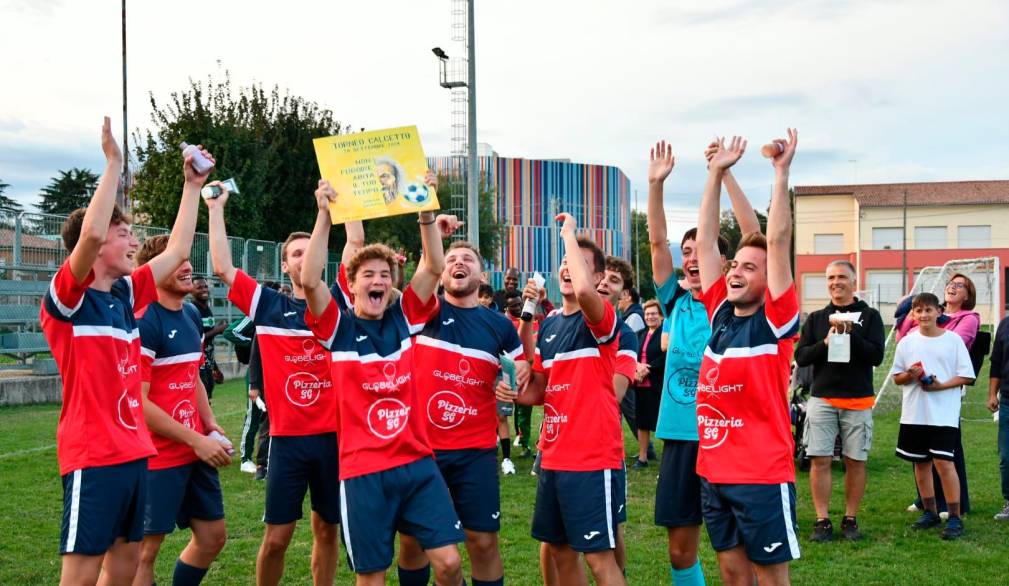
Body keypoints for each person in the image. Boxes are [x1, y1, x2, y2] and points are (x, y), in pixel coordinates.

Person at [40, 118, 208, 585]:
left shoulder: (122, 296)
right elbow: (90, 234)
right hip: (92, 457)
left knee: (125, 567)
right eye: (124, 234)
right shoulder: (68, 300)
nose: (134, 242)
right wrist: (115, 163)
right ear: (92, 249)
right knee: (80, 574)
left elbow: (175, 251)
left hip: (135, 453)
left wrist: (191, 187)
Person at [302, 180, 465, 586]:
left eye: (385, 274)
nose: (378, 280)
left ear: (391, 284)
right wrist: (324, 214)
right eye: (368, 274)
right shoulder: (336, 328)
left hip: (416, 465)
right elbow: (309, 281)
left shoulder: (403, 318)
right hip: (363, 472)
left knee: (448, 564)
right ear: (352, 284)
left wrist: (425, 210)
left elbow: (432, 267)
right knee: (371, 576)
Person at [206, 184, 341, 585]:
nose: (304, 258)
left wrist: (326, 214)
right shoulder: (269, 305)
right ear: (284, 266)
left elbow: (356, 248)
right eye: (296, 253)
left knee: (327, 531)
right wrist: (215, 209)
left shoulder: (336, 307)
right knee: (277, 539)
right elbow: (223, 268)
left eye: (310, 250)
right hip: (286, 442)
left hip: (334, 439)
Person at [695, 131, 801, 585]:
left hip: (761, 474)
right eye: (735, 265)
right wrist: (715, 174)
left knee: (770, 577)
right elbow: (705, 246)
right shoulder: (720, 311)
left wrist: (781, 174)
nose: (735, 271)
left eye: (749, 268)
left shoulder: (777, 321)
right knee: (732, 574)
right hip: (713, 472)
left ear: (770, 280)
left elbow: (776, 242)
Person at [500, 214, 626, 586]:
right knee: (558, 550)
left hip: (591, 456)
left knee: (599, 559)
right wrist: (513, 389)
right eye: (565, 265)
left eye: (579, 265)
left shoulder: (600, 317)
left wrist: (569, 234)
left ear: (598, 277)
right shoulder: (550, 325)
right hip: (554, 455)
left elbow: (586, 293)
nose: (568, 270)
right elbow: (540, 390)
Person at [399, 235, 530, 586]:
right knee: (412, 541)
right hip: (421, 450)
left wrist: (515, 380)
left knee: (483, 543)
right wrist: (431, 234)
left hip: (475, 452)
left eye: (468, 259)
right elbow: (426, 268)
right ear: (441, 273)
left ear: (483, 276)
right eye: (452, 258)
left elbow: (521, 373)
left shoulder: (500, 326)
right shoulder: (424, 310)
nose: (459, 263)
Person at [646, 138, 740, 586]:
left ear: (723, 261)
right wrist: (655, 184)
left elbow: (756, 235)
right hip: (683, 436)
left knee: (737, 548)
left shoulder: (733, 305)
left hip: (729, 437)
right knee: (681, 548)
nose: (690, 257)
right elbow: (656, 241)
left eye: (700, 250)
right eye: (687, 252)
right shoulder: (675, 302)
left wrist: (719, 175)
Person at [133, 234, 230, 586]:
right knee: (143, 553)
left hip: (193, 450)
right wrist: (196, 439)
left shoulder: (190, 314)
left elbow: (193, 380)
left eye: (187, 259)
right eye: (176, 262)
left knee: (212, 537)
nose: (187, 267)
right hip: (156, 456)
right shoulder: (145, 321)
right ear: (153, 271)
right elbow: (139, 404)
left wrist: (211, 426)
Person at [793, 260, 885, 542]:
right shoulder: (817, 318)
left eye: (842, 277)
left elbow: (876, 357)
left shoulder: (870, 317)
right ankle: (822, 520)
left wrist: (850, 333)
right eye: (831, 278)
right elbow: (802, 356)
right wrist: (824, 342)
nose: (836, 282)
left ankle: (850, 518)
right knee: (819, 459)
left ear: (853, 282)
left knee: (855, 461)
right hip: (822, 399)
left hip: (857, 399)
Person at [890, 292, 975, 540]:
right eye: (919, 311)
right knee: (921, 463)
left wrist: (940, 385)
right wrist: (911, 374)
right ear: (913, 315)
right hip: (915, 414)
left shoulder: (953, 340)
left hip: (943, 414)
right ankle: (930, 512)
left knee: (944, 464)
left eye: (929, 310)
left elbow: (966, 376)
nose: (924, 315)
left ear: (939, 312)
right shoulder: (906, 342)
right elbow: (897, 378)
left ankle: (955, 517)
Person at [632, 300, 666, 468]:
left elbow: (666, 356)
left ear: (660, 315)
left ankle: (668, 459)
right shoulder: (640, 334)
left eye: (653, 313)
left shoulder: (665, 333)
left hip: (657, 384)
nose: (650, 317)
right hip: (640, 385)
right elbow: (633, 356)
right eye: (647, 314)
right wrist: (637, 368)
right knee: (642, 422)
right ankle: (643, 457)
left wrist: (649, 368)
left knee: (663, 422)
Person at [190, 276, 226, 400]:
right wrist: (218, 330)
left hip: (208, 363)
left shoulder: (207, 310)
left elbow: (209, 344)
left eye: (205, 286)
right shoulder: (192, 310)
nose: (204, 289)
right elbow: (196, 338)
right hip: (198, 364)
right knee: (201, 399)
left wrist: (215, 368)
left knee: (208, 397)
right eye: (199, 287)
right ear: (191, 290)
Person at [988, 313, 1009, 520]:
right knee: (1006, 456)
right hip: (1008, 402)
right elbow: (996, 364)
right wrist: (992, 394)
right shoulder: (1005, 325)